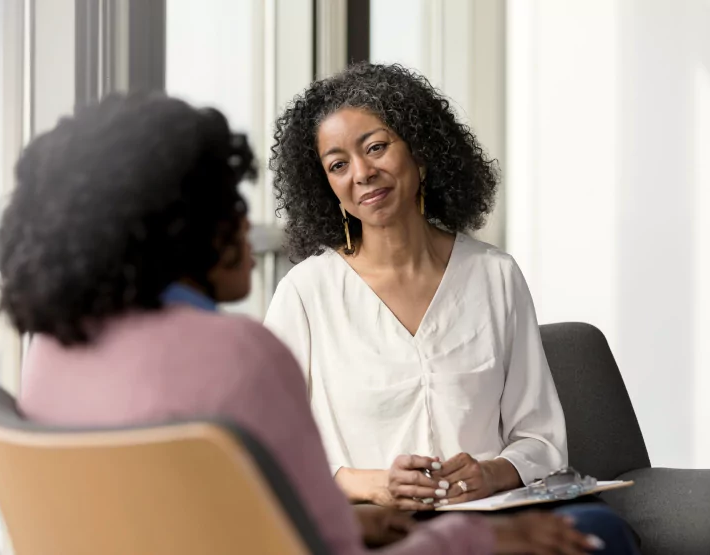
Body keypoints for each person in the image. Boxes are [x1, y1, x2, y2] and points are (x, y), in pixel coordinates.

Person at [0, 92, 605, 554]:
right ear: (179, 229)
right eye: (230, 206)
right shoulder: (239, 354)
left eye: (375, 148)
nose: (245, 227)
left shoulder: (50, 355)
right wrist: (488, 539)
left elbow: (246, 518)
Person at [265, 62, 639, 552]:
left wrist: (492, 472)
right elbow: (269, 451)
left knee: (600, 530)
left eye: (376, 147)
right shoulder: (305, 294)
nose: (362, 173)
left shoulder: (494, 275)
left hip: (493, 516)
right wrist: (371, 484)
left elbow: (540, 438)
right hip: (377, 526)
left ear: (420, 153)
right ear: (326, 187)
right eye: (338, 164)